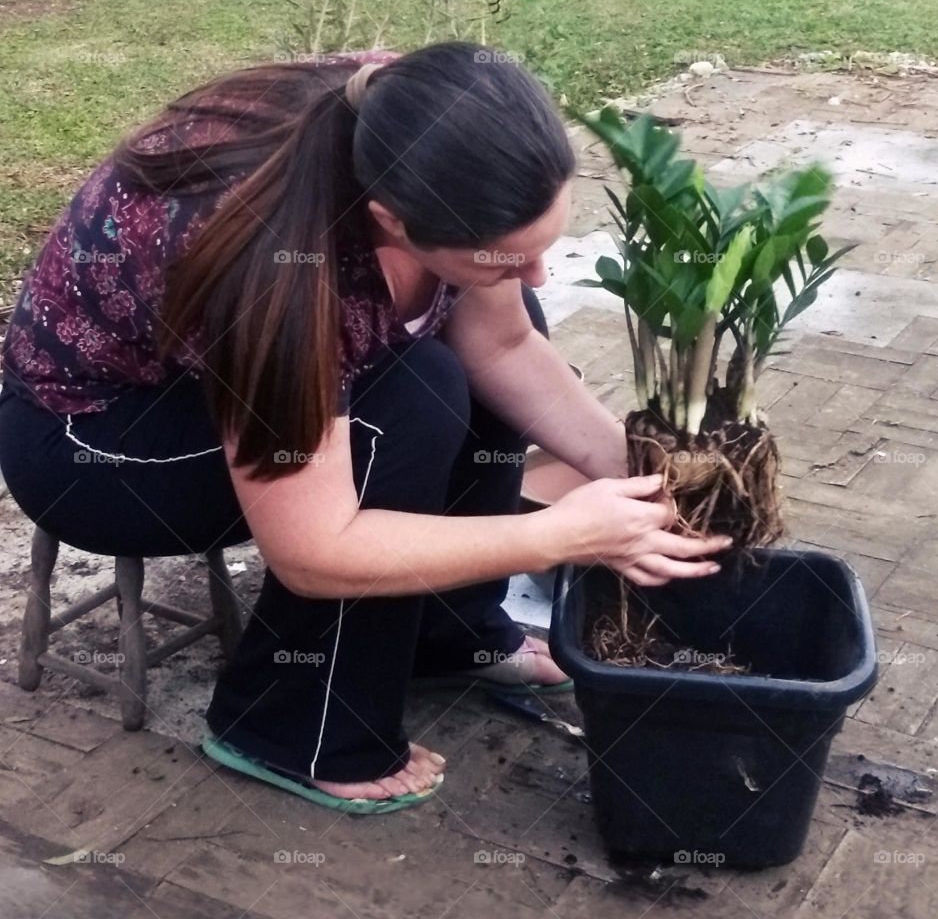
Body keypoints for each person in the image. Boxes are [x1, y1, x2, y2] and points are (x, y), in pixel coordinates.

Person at [0, 41, 731, 813]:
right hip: (96, 442)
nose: (538, 271)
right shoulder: (278, 270)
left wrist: (632, 465)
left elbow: (505, 343)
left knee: (473, 341)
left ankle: (449, 633)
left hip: (229, 379)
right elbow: (316, 550)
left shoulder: (409, 120)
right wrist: (556, 536)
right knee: (410, 402)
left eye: (542, 246)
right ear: (390, 220)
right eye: (509, 257)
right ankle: (291, 724)